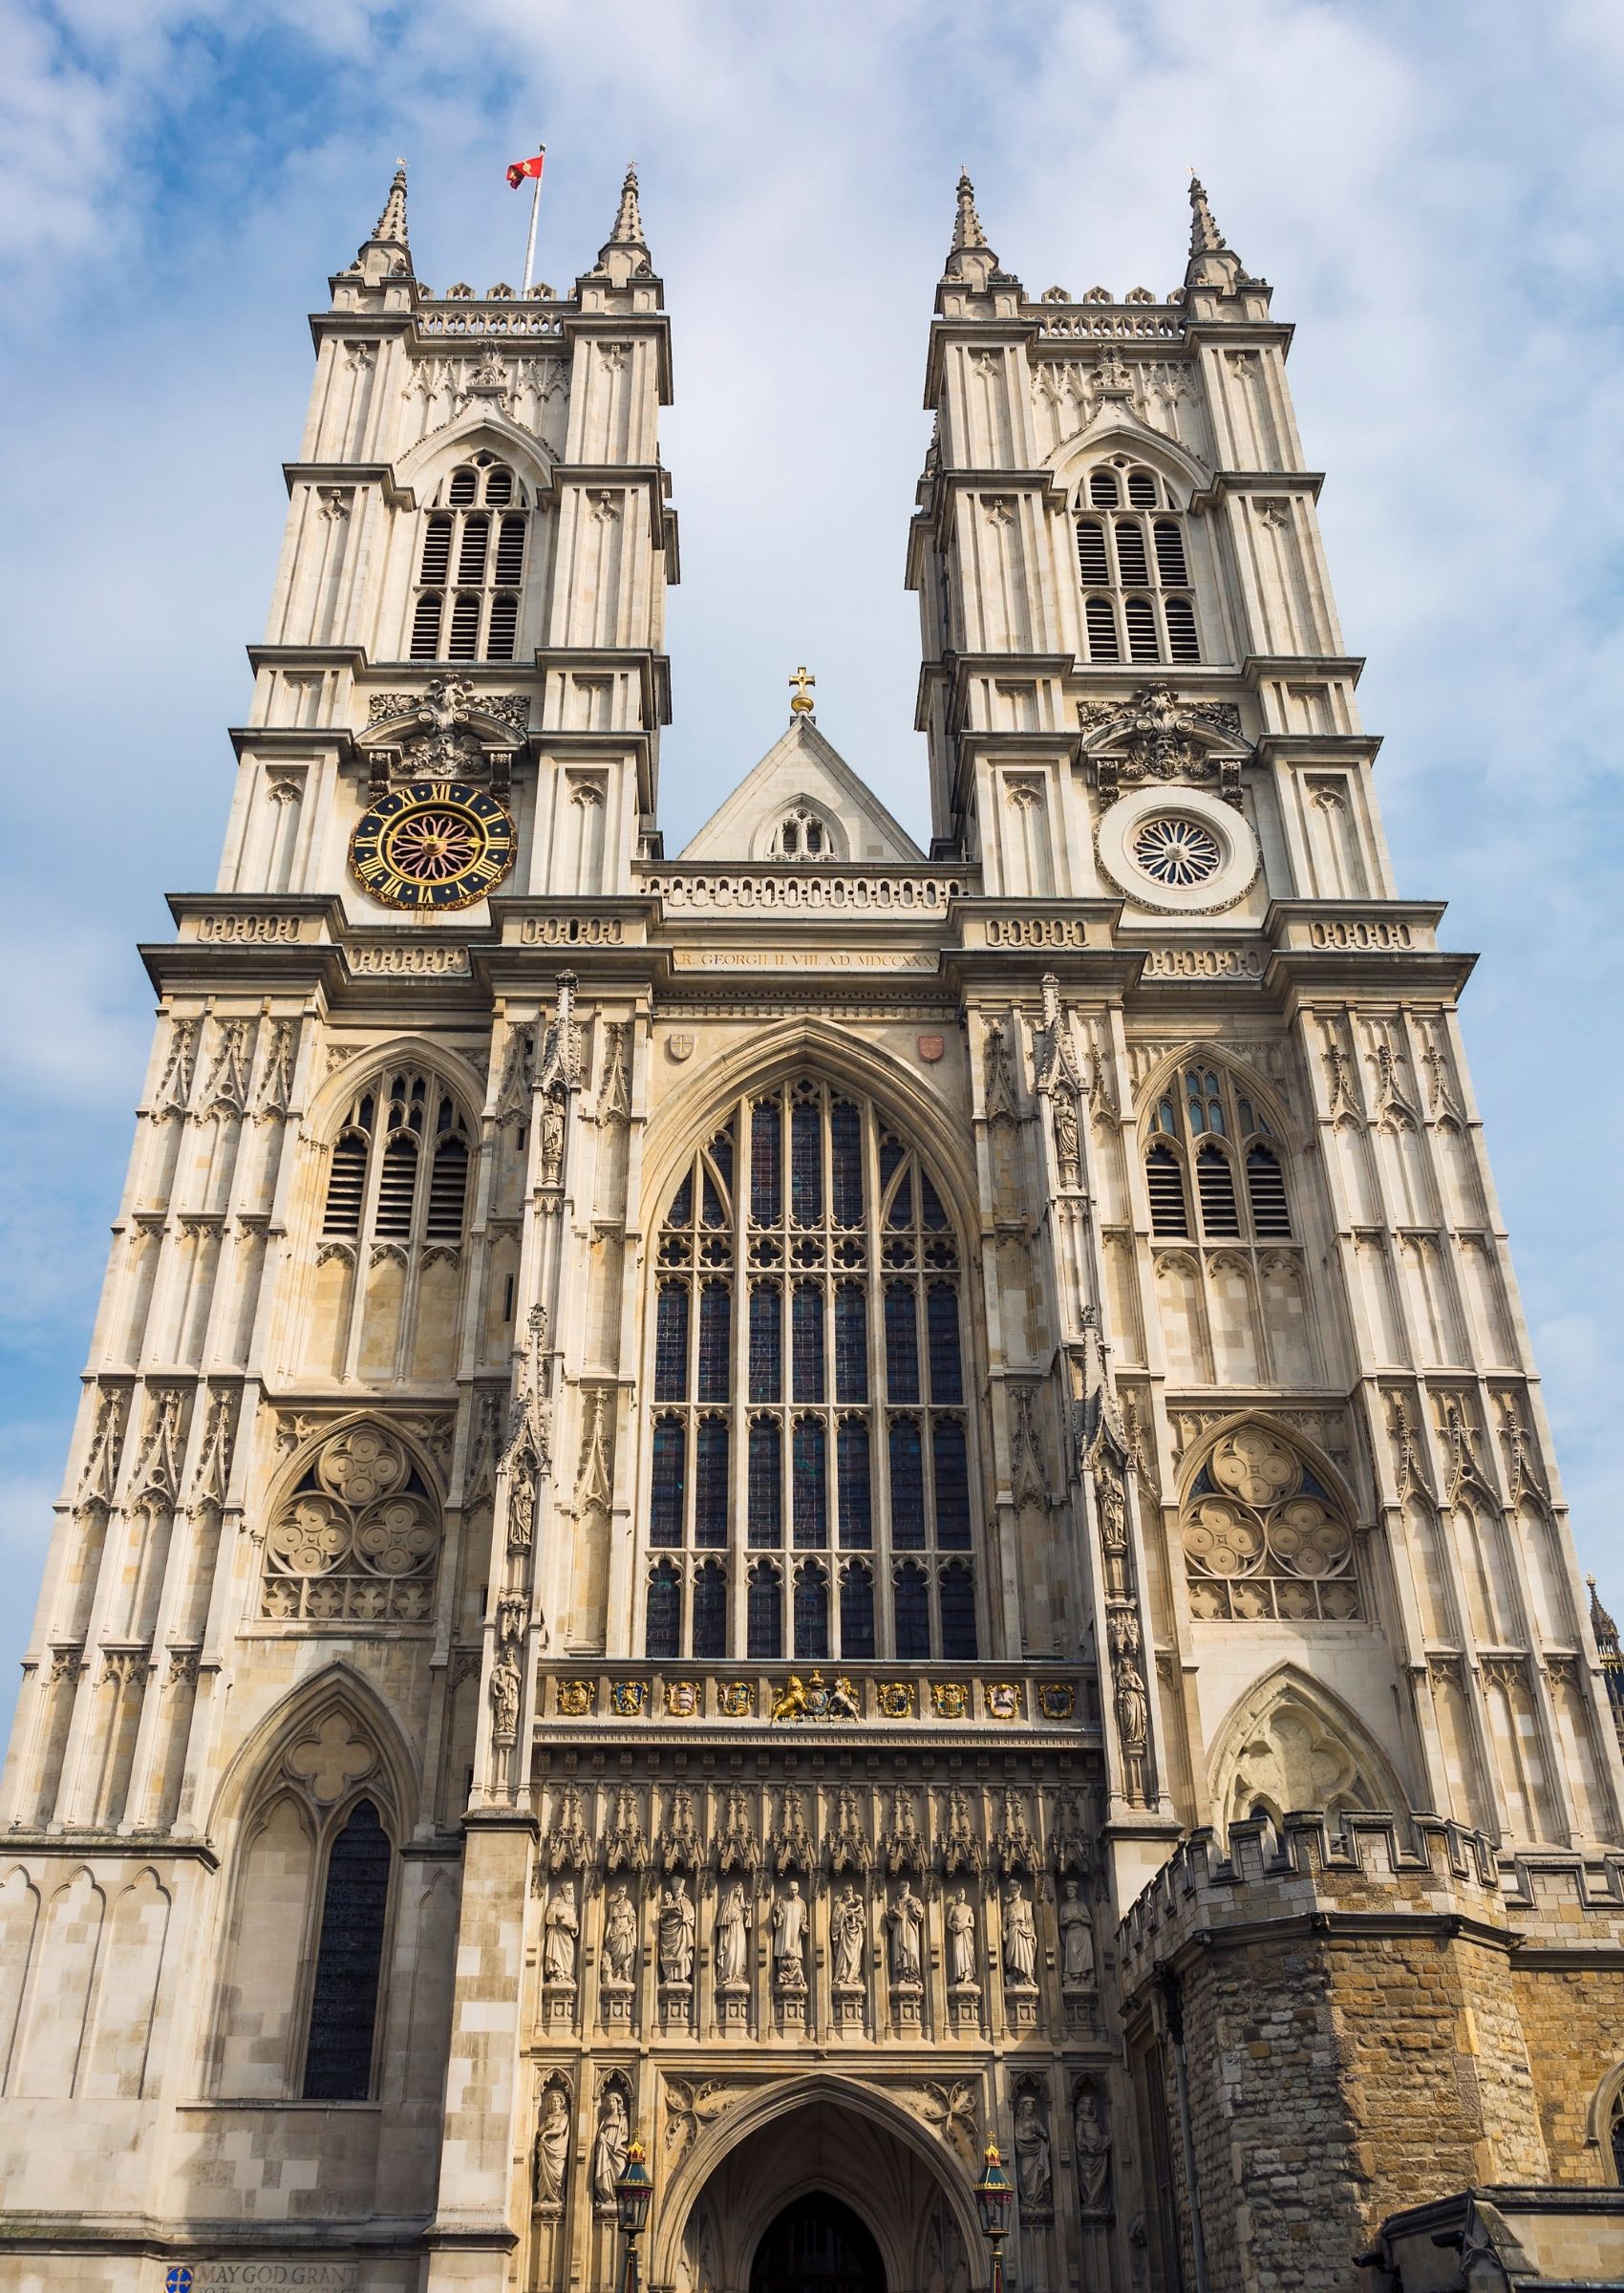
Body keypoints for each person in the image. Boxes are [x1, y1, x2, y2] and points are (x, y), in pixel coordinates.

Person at [591, 2087, 629, 2210]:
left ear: (618, 2103)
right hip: (606, 2147)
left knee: (620, 2171)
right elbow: (600, 2132)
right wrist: (602, 2135)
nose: (611, 2104)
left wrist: (619, 2142)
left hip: (617, 2149)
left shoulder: (622, 2118)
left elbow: (625, 2135)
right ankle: (607, 2197)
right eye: (610, 2101)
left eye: (613, 2101)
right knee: (605, 2171)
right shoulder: (606, 2118)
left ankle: (617, 2198)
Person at [1013, 2092, 1052, 2212]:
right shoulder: (1019, 2121)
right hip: (1026, 2151)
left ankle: (1036, 2200)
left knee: (1038, 2175)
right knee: (1026, 2175)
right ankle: (1028, 2200)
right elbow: (1018, 2136)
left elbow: (1044, 2134)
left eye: (1031, 2106)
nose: (1030, 2108)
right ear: (1023, 2107)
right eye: (1028, 2105)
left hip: (1037, 2150)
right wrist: (1029, 2138)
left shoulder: (1035, 2121)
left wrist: (1038, 2135)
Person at [534, 2084, 569, 2208]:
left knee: (558, 2173)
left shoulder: (564, 2116)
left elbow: (560, 2129)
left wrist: (547, 2133)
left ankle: (556, 2198)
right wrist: (544, 2128)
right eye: (553, 2101)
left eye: (557, 2101)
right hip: (546, 2149)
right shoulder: (548, 2117)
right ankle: (544, 2197)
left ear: (561, 2103)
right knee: (544, 2174)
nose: (555, 2103)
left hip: (557, 2149)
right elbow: (539, 2132)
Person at [658, 1875, 695, 1985]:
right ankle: (670, 1976)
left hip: (682, 1932)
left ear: (682, 1890)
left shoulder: (686, 1902)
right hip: (671, 1934)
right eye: (674, 1890)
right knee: (670, 1953)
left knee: (683, 1953)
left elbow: (690, 1916)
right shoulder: (671, 1902)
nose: (676, 1892)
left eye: (678, 1889)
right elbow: (663, 1917)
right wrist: (668, 1905)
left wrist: (681, 1915)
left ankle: (683, 1976)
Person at [1058, 1879, 1095, 1987]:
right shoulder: (1064, 1907)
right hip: (1072, 1934)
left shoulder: (1081, 1905)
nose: (1070, 1892)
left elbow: (1089, 1921)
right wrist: (1068, 1920)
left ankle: (1084, 1978)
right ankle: (1075, 1977)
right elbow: (1061, 1923)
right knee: (1073, 1954)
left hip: (1082, 1934)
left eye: (1072, 1890)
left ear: (1075, 1891)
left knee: (1083, 1958)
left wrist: (1080, 1919)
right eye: (1068, 1890)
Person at [771, 1879, 807, 1989]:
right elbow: (777, 1915)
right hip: (784, 1931)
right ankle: (781, 1973)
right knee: (783, 1949)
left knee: (794, 1951)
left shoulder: (801, 1903)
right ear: (788, 1889)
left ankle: (796, 1973)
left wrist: (803, 1926)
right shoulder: (781, 1899)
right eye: (791, 1890)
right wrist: (777, 1913)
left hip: (795, 1932)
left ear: (798, 1890)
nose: (793, 1892)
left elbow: (803, 1918)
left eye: (795, 1890)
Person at [887, 1880, 925, 1985]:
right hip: (899, 1930)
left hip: (910, 1929)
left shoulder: (915, 1900)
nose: (902, 1888)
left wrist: (912, 1907)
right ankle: (901, 1976)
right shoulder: (895, 1903)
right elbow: (889, 1918)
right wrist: (893, 1913)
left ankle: (914, 1975)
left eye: (904, 1886)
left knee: (912, 1951)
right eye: (900, 1886)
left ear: (908, 1887)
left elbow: (919, 1915)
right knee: (899, 1953)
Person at [1002, 1881, 1037, 1988]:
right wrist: (1003, 1932)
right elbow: (1004, 1921)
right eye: (1011, 1891)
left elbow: (1030, 1921)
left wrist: (1033, 1935)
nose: (1013, 1893)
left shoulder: (1026, 1904)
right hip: (1012, 1930)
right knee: (1012, 1956)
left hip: (1024, 1932)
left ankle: (1027, 1977)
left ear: (1020, 1889)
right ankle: (1015, 1977)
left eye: (1015, 1890)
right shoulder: (1007, 1906)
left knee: (1025, 1956)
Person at [543, 1881, 578, 1986]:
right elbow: (548, 1917)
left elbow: (576, 1922)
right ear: (562, 1890)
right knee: (556, 1952)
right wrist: (557, 1916)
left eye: (571, 1889)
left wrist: (574, 1927)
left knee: (570, 1950)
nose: (570, 1892)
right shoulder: (555, 1901)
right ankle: (555, 1973)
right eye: (567, 1890)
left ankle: (567, 1973)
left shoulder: (574, 1906)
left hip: (567, 1932)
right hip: (556, 1932)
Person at [716, 1881, 750, 1988]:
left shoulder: (741, 1904)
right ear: (732, 1889)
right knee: (730, 1953)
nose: (738, 1889)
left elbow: (746, 1922)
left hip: (740, 1932)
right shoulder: (727, 1903)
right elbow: (721, 1919)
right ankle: (727, 1975)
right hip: (730, 1933)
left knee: (739, 1953)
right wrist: (730, 1918)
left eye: (740, 1887)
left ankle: (737, 1975)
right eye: (736, 1887)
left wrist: (748, 1910)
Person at [603, 1882, 637, 1983]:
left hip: (625, 1931)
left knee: (625, 1953)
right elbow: (610, 1920)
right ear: (617, 1892)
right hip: (615, 1931)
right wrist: (606, 1933)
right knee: (615, 1955)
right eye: (619, 1891)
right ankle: (617, 1974)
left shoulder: (628, 1904)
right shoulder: (612, 1906)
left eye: (623, 1891)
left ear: (625, 1892)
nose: (621, 1893)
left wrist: (629, 1928)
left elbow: (633, 1920)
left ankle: (626, 1974)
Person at [832, 1884, 866, 1987]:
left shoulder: (857, 1905)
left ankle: (853, 1977)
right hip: (844, 1935)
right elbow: (835, 1921)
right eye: (846, 1891)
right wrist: (845, 1915)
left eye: (850, 1891)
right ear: (843, 1892)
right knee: (843, 1956)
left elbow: (861, 1918)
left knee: (856, 1956)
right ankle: (842, 1976)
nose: (849, 1893)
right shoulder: (839, 1906)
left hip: (856, 1935)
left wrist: (856, 1917)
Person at [946, 1887, 977, 1987]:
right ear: (956, 1895)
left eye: (963, 1893)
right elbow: (948, 1923)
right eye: (959, 1893)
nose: (961, 1895)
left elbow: (972, 1924)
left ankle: (966, 1977)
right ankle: (959, 1976)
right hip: (958, 1934)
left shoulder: (969, 1908)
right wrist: (954, 1928)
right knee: (958, 1955)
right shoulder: (953, 1908)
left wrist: (965, 1925)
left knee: (967, 1956)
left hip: (967, 1934)